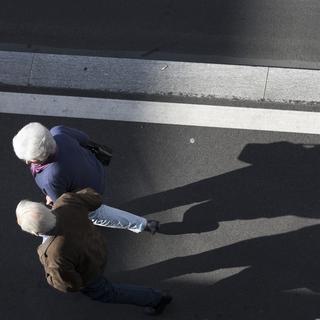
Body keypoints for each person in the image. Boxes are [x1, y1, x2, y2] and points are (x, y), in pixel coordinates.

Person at [15, 188, 172, 315]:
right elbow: (94, 198)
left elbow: (67, 284)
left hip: (89, 273)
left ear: (35, 233)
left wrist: (79, 285)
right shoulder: (67, 201)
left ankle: (156, 298)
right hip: (98, 247)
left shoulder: (51, 254)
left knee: (108, 293)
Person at [12, 122, 159, 234]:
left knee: (98, 214)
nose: (27, 162)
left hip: (89, 195)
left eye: (30, 159)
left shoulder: (49, 178)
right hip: (96, 171)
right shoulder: (59, 132)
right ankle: (144, 224)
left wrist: (51, 198)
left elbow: (65, 203)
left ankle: (144, 225)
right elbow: (84, 139)